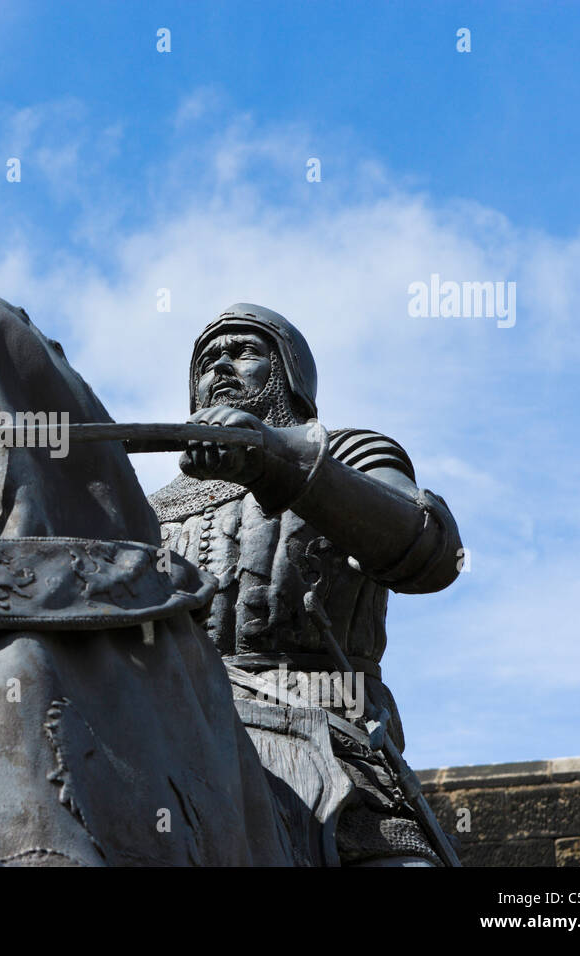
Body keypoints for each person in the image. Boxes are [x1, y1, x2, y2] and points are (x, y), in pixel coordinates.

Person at [150, 303, 462, 865]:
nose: (221, 366)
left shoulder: (346, 451)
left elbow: (432, 552)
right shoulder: (152, 510)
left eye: (244, 351)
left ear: (290, 372)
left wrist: (283, 465)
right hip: (183, 735)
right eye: (207, 360)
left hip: (331, 737)